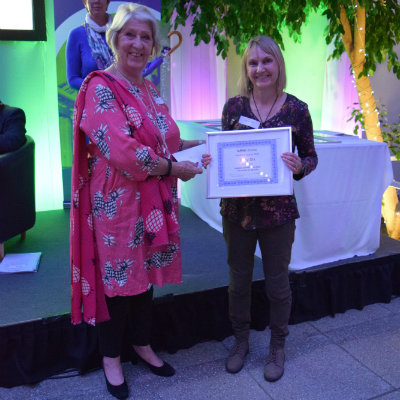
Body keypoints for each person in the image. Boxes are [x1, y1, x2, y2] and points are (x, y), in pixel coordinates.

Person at [70, 3, 204, 399]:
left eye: (146, 37)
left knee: (146, 275)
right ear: (114, 39)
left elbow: (165, 138)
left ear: (153, 46)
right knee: (118, 280)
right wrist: (173, 168)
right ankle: (111, 358)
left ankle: (142, 344)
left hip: (153, 201)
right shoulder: (99, 87)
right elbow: (126, 153)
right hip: (117, 202)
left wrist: (203, 145)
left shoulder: (149, 89)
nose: (138, 44)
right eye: (130, 34)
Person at [202, 36, 318, 382]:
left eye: (267, 61)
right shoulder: (233, 107)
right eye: (253, 63)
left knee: (278, 284)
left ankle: (277, 345)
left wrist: (300, 165)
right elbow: (225, 152)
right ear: (246, 69)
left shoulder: (297, 109)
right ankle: (240, 342)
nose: (260, 68)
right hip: (237, 213)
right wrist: (213, 161)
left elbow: (311, 156)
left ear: (278, 64)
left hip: (278, 213)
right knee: (238, 282)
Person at [66, 0, 113, 90]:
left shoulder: (121, 31)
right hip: (92, 97)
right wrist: (100, 88)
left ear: (107, 2)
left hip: (123, 97)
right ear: (85, 2)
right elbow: (73, 79)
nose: (97, 1)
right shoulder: (76, 34)